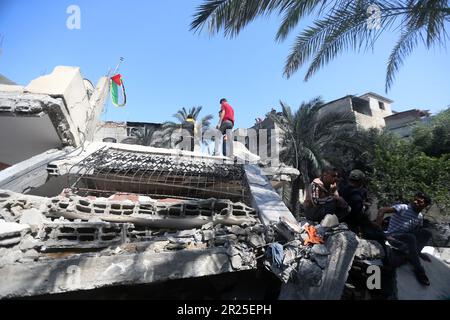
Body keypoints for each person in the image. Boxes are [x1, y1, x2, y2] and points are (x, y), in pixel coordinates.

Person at [377, 192, 433, 286]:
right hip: (393, 237)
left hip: (406, 239)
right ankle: (419, 270)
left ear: (425, 205)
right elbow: (382, 210)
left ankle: (411, 255)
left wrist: (418, 252)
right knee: (410, 237)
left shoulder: (419, 217)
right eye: (415, 199)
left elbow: (416, 235)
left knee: (426, 233)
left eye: (419, 201)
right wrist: (378, 231)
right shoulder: (403, 207)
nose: (415, 202)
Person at [339, 170, 386, 246]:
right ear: (361, 181)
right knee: (379, 236)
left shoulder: (341, 189)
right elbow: (358, 215)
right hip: (352, 225)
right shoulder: (356, 195)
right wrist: (370, 224)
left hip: (341, 221)